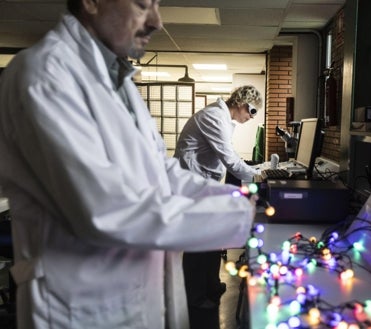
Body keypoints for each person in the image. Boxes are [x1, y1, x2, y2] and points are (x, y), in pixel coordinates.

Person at [0, 1, 256, 329]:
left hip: (137, 296)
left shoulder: (117, 83)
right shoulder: (44, 75)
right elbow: (106, 209)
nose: (156, 21)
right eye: (141, 4)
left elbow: (159, 171)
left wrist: (241, 201)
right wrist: (239, 216)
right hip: (84, 307)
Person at [173, 86, 262, 326]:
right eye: (253, 111)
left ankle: (211, 284)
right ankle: (195, 297)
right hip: (193, 187)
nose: (252, 117)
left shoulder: (223, 118)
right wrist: (258, 175)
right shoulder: (214, 117)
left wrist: (257, 172)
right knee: (198, 242)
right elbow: (230, 159)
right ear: (243, 103)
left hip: (204, 186)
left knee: (213, 236)